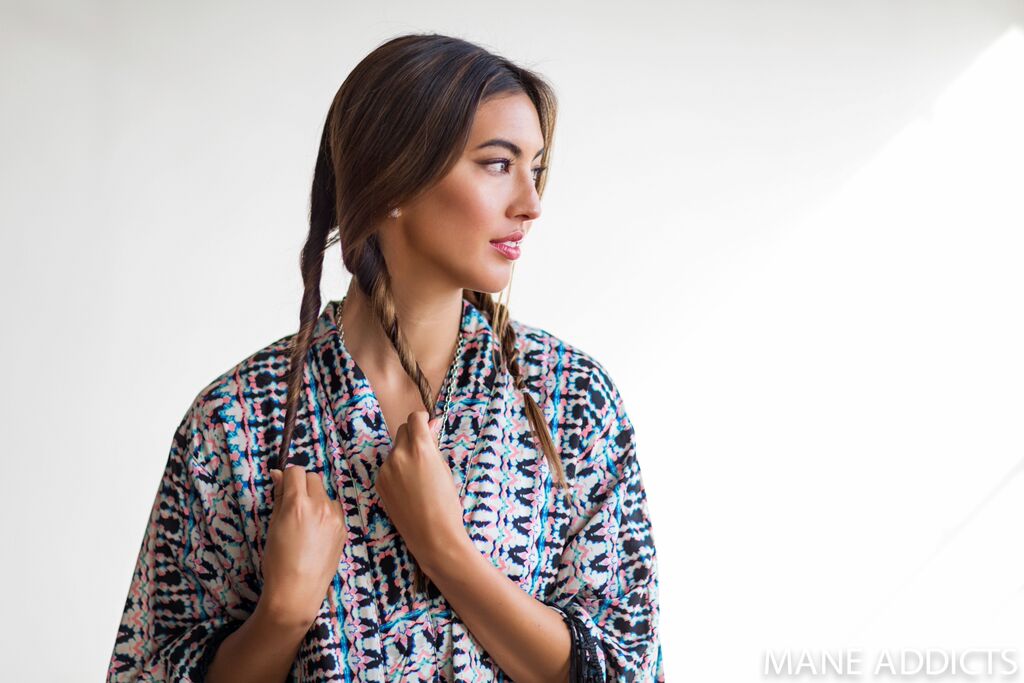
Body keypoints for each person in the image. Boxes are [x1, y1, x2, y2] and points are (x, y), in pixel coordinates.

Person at [107, 32, 663, 682]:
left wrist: (446, 549)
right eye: (496, 164)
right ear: (395, 177)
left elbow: (627, 666)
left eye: (534, 169)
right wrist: (280, 616)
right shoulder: (237, 421)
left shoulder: (570, 400)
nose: (531, 204)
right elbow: (147, 669)